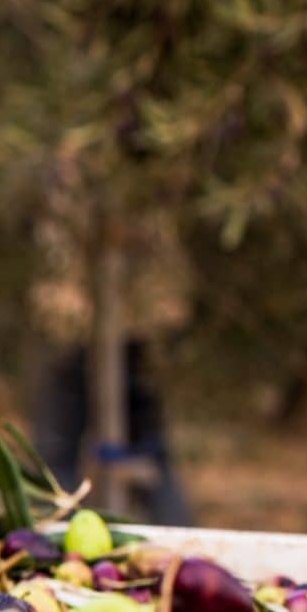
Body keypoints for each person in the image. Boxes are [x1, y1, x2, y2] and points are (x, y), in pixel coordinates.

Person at [28, 218, 196, 525]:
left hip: (76, 321)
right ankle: (182, 543)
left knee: (55, 460)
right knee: (151, 459)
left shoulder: (74, 180)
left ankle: (50, 544)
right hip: (148, 321)